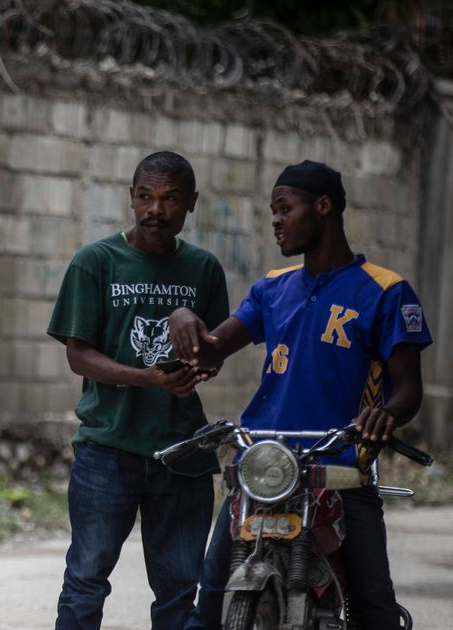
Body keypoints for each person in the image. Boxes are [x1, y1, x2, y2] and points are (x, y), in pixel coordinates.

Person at [173, 160, 431, 630]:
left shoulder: (386, 291)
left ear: (324, 207)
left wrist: (385, 414)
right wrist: (185, 321)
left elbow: (410, 389)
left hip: (340, 466)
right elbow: (213, 353)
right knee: (209, 601)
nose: (275, 221)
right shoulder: (272, 288)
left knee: (375, 608)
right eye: (273, 211)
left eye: (284, 209)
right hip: (263, 461)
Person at [47, 151, 229, 630]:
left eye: (170, 199)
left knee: (179, 588)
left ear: (190, 203)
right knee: (86, 579)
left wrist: (193, 360)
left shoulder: (205, 269)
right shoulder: (96, 262)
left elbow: (215, 355)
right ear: (131, 198)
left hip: (182, 451)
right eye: (145, 197)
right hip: (108, 448)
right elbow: (78, 355)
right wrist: (149, 378)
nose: (156, 210)